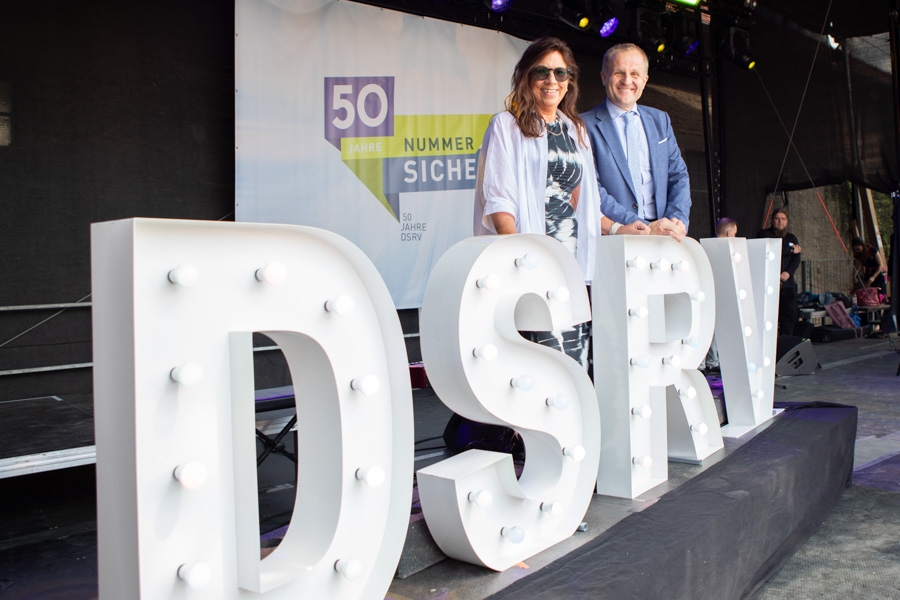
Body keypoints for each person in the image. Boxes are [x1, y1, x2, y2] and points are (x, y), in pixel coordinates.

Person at [473, 36, 649, 369]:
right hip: (533, 263)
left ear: (570, 81)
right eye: (542, 72)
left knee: (575, 362)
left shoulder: (576, 129)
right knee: (540, 361)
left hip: (572, 266)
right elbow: (498, 201)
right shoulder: (506, 126)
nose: (552, 81)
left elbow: (585, 207)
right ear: (526, 76)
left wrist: (618, 228)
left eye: (561, 73)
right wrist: (521, 262)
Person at [581, 43, 691, 241]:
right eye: (618, 73)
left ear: (645, 80)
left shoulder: (661, 120)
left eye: (635, 74)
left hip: (665, 236)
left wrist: (676, 220)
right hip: (616, 237)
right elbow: (592, 189)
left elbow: (678, 175)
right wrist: (646, 228)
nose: (627, 81)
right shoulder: (583, 125)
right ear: (604, 77)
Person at [699, 218, 738, 374]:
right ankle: (710, 361)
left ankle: (708, 361)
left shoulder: (703, 247)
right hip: (717, 292)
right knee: (711, 328)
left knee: (708, 328)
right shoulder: (726, 250)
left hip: (706, 291)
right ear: (729, 232)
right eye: (734, 234)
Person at [757, 209, 802, 335]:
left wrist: (788, 272)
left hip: (787, 286)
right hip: (769, 285)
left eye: (783, 218)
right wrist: (791, 250)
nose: (780, 221)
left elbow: (797, 258)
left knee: (789, 317)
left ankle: (786, 344)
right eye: (777, 218)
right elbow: (771, 251)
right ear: (772, 220)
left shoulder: (791, 237)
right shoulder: (764, 235)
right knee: (769, 319)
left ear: (787, 221)